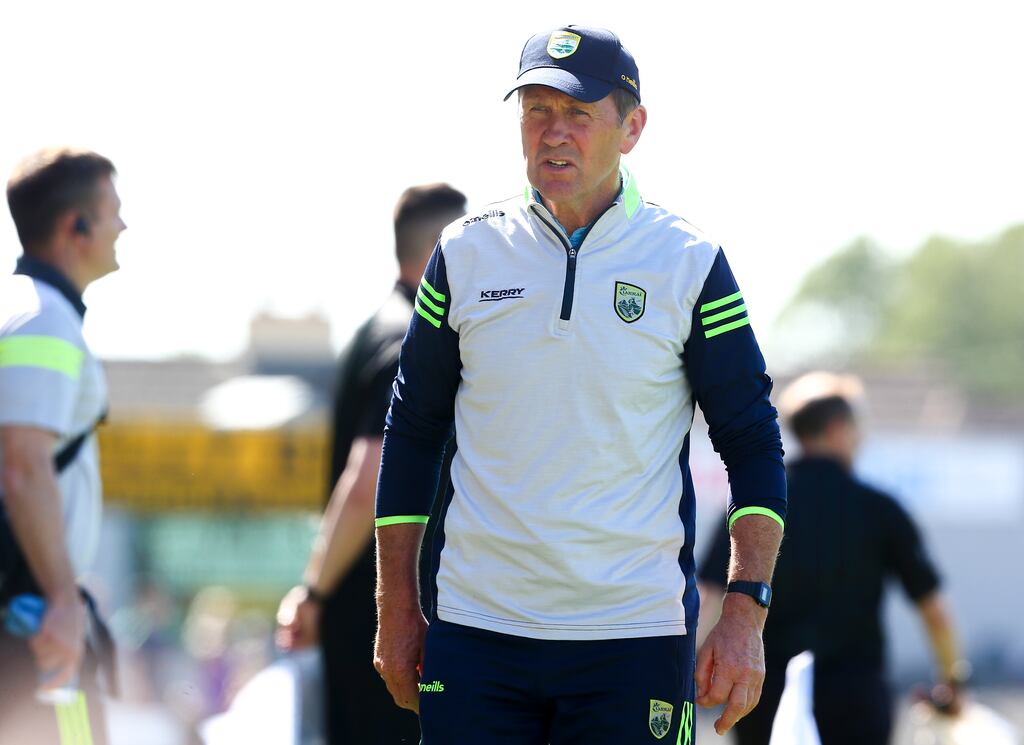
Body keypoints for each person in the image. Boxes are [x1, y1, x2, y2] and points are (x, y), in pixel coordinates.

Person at [372, 25, 788, 745]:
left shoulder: (688, 263)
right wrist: (395, 604)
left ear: (632, 128)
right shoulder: (465, 253)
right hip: (477, 631)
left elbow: (753, 443)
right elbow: (410, 435)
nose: (553, 134)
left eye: (577, 113)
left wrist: (746, 613)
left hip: (634, 637)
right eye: (536, 109)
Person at [276, 183, 467, 744]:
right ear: (438, 250)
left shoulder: (380, 326)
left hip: (376, 618)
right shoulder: (408, 337)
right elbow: (369, 477)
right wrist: (312, 593)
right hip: (388, 622)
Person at [697, 371, 967, 745]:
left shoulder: (756, 508)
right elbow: (934, 611)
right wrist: (952, 682)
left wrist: (681, 673)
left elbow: (706, 597)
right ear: (840, 428)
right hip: (855, 700)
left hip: (765, 695)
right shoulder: (880, 509)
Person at [1, 148, 126, 744]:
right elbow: (22, 468)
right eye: (113, 212)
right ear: (76, 226)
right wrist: (60, 599)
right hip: (31, 620)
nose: (123, 227)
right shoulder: (43, 318)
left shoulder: (29, 310)